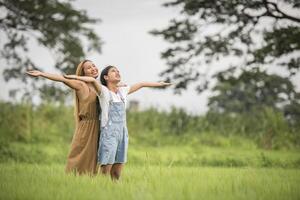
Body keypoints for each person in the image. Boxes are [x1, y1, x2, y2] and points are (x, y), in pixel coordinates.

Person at [64, 65, 172, 180]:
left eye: (118, 71)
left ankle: (115, 193)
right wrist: (74, 77)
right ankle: (100, 192)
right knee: (105, 172)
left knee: (116, 174)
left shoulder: (122, 91)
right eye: (113, 71)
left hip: (122, 135)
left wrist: (159, 84)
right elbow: (91, 80)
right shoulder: (103, 92)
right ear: (105, 77)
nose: (117, 72)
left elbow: (142, 84)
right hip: (109, 135)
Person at [26, 60, 101, 175]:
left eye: (94, 66)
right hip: (87, 128)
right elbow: (63, 79)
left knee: (94, 160)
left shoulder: (99, 87)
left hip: (99, 126)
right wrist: (42, 74)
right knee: (80, 159)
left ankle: (90, 184)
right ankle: (73, 181)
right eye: (89, 68)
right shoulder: (81, 85)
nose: (93, 68)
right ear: (83, 73)